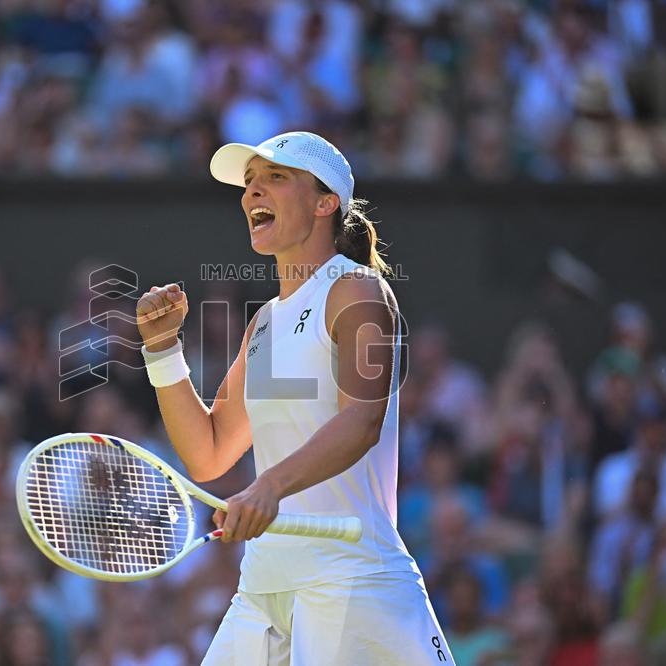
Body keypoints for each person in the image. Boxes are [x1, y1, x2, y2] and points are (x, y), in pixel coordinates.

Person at [135, 131, 452, 664]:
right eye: (250, 182)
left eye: (275, 178)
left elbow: (362, 421)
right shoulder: (265, 322)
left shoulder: (357, 291)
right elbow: (209, 452)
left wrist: (268, 488)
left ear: (326, 202)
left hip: (350, 579)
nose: (252, 192)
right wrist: (163, 350)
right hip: (265, 583)